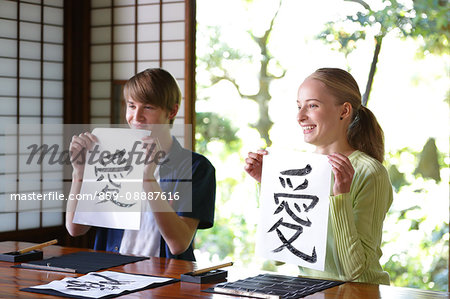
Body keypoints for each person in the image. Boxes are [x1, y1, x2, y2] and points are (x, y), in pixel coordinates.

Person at [244, 67, 393, 284]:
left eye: (312, 105)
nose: (300, 116)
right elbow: (278, 255)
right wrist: (267, 186)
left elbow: (353, 272)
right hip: (311, 291)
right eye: (299, 106)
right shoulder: (300, 169)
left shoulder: (370, 172)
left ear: (344, 111)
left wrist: (340, 196)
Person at [66, 68, 216, 261]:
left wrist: (148, 178)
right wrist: (79, 173)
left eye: (148, 107)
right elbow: (75, 228)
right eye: (131, 106)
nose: (136, 117)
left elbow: (178, 244)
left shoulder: (196, 168)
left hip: (166, 281)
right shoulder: (110, 159)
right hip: (111, 276)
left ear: (172, 111)